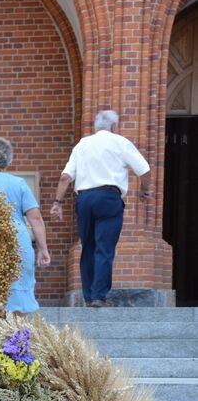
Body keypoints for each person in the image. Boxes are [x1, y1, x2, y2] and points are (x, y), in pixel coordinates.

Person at [50, 110, 151, 307]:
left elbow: (65, 177)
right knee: (104, 248)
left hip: (85, 199)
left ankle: (88, 296)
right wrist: (143, 191)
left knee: (87, 247)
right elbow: (145, 171)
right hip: (108, 198)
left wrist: (57, 203)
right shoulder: (120, 142)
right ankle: (98, 296)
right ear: (114, 127)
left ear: (96, 127)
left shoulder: (82, 145)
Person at [0, 137, 51, 314]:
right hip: (14, 243)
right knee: (17, 301)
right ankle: (15, 340)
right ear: (9, 160)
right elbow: (35, 218)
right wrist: (43, 249)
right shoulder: (18, 184)